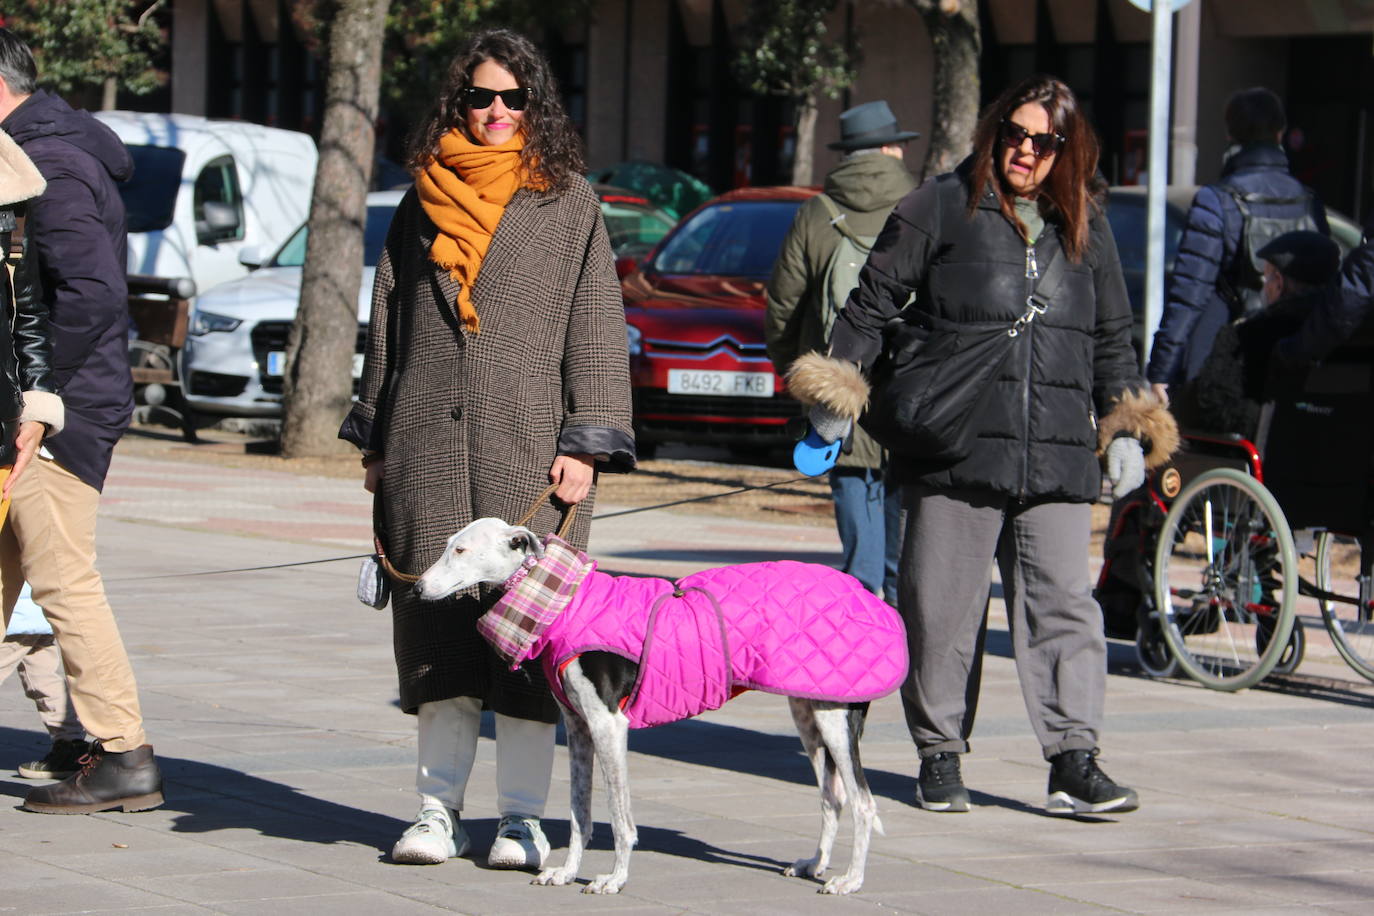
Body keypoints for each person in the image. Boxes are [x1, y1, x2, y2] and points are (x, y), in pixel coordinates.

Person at [794, 75, 1177, 816]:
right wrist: (838, 392)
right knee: (940, 608)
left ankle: (1074, 758)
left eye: (1044, 141)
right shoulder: (940, 204)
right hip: (956, 447)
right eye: (1014, 134)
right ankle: (940, 753)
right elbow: (869, 302)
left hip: (1058, 450)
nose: (1025, 151)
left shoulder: (1085, 224)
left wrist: (1126, 422)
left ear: (1069, 151)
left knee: (1066, 605)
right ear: (994, 133)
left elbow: (1109, 338)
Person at [338, 28, 635, 869]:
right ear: (458, 103)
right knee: (437, 643)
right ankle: (437, 813)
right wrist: (375, 436)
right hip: (425, 443)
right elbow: (387, 322)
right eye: (481, 96)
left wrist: (589, 442)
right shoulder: (419, 199)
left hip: (533, 453)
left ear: (535, 104)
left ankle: (520, 820)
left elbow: (597, 327)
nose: (497, 111)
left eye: (513, 97)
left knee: (533, 647)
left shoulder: (568, 201)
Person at [0, 29, 162, 815]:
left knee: (63, 578)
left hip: (54, 414)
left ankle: (124, 751)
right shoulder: (32, 148)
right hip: (36, 403)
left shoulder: (50, 161)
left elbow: (90, 296)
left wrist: (40, 399)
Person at [765, 100, 918, 603]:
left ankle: (863, 634)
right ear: (892, 149)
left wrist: (804, 381)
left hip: (837, 399)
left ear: (848, 155)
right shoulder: (924, 206)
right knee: (909, 542)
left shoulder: (817, 213)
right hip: (911, 397)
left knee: (859, 548)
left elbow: (783, 308)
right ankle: (905, 638)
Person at [1147, 87, 1328, 402]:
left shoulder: (1217, 200)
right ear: (1279, 133)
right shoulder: (1308, 201)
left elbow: (1189, 296)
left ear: (1231, 134)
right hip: (1295, 357)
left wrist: (1161, 371)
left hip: (1227, 360)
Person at [0, 123, 87, 781]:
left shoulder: (13, 191)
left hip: (6, 437)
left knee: (27, 610)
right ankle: (75, 736)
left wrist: (34, 406)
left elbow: (26, 315)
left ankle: (76, 738)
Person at [1173, 230, 1340, 439]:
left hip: (1259, 460)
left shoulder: (1245, 336)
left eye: (1266, 277)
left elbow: (1209, 405)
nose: (1264, 285)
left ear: (1278, 283)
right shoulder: (1345, 336)